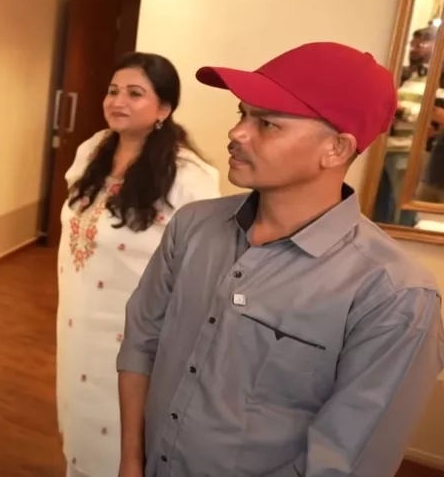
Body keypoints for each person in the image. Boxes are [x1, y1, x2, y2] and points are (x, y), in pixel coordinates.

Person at [116, 41, 444, 477]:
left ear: (336, 149)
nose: (237, 133)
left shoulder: (394, 296)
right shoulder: (193, 227)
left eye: (267, 123)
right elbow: (141, 341)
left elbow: (343, 461)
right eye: (242, 114)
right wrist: (131, 461)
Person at [56, 52, 219, 477]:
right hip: (77, 326)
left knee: (123, 442)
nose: (117, 101)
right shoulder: (92, 151)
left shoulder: (188, 176)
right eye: (112, 91)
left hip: (136, 337)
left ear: (164, 108)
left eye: (134, 93)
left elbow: (203, 267)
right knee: (78, 429)